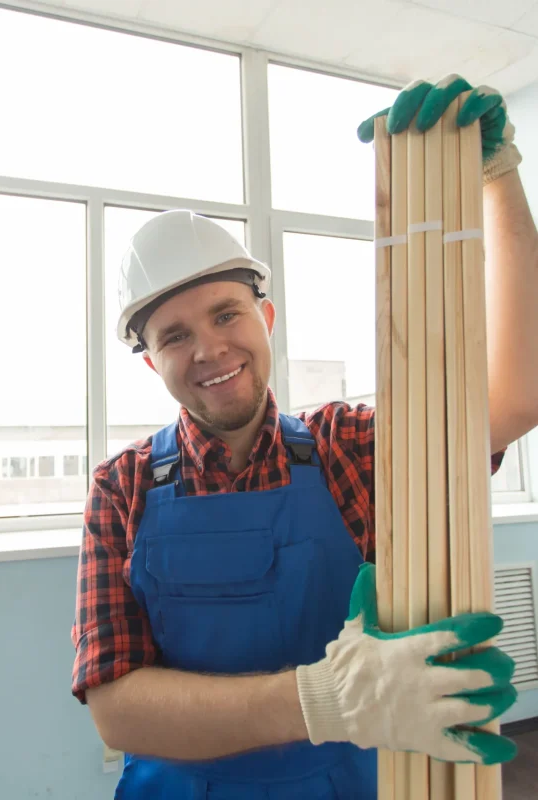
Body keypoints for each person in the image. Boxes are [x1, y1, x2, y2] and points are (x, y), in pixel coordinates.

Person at [71, 75, 538, 799]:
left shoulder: (347, 449)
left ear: (266, 318)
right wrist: (327, 699)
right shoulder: (120, 488)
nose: (210, 349)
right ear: (151, 361)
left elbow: (516, 398)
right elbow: (118, 710)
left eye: (226, 315)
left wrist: (498, 181)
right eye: (175, 336)